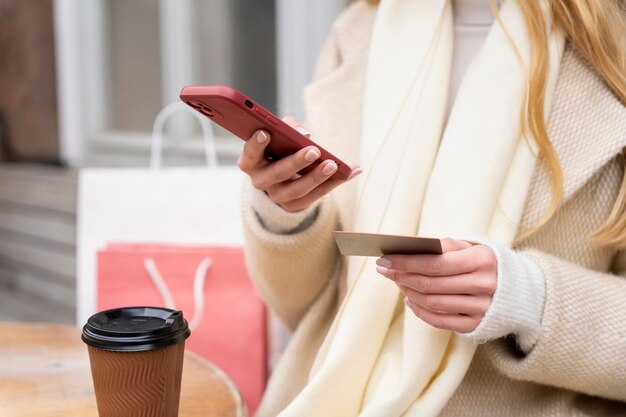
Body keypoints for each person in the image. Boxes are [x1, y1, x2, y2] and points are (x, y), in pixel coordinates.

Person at [238, 0, 626, 416]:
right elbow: (308, 312)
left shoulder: (610, 47)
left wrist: (530, 300)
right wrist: (287, 214)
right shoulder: (359, 31)